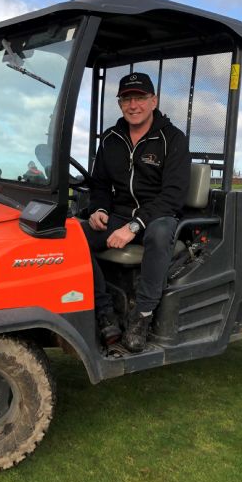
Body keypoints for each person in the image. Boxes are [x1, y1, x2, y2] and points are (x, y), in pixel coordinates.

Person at [82, 72, 190, 353]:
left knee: (160, 232)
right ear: (119, 103)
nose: (133, 105)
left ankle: (141, 316)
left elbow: (173, 196)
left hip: (158, 216)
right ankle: (104, 311)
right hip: (119, 215)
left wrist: (133, 226)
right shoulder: (111, 138)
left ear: (153, 101)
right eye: (126, 99)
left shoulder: (173, 139)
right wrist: (99, 209)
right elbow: (100, 185)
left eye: (140, 98)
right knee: (72, 235)